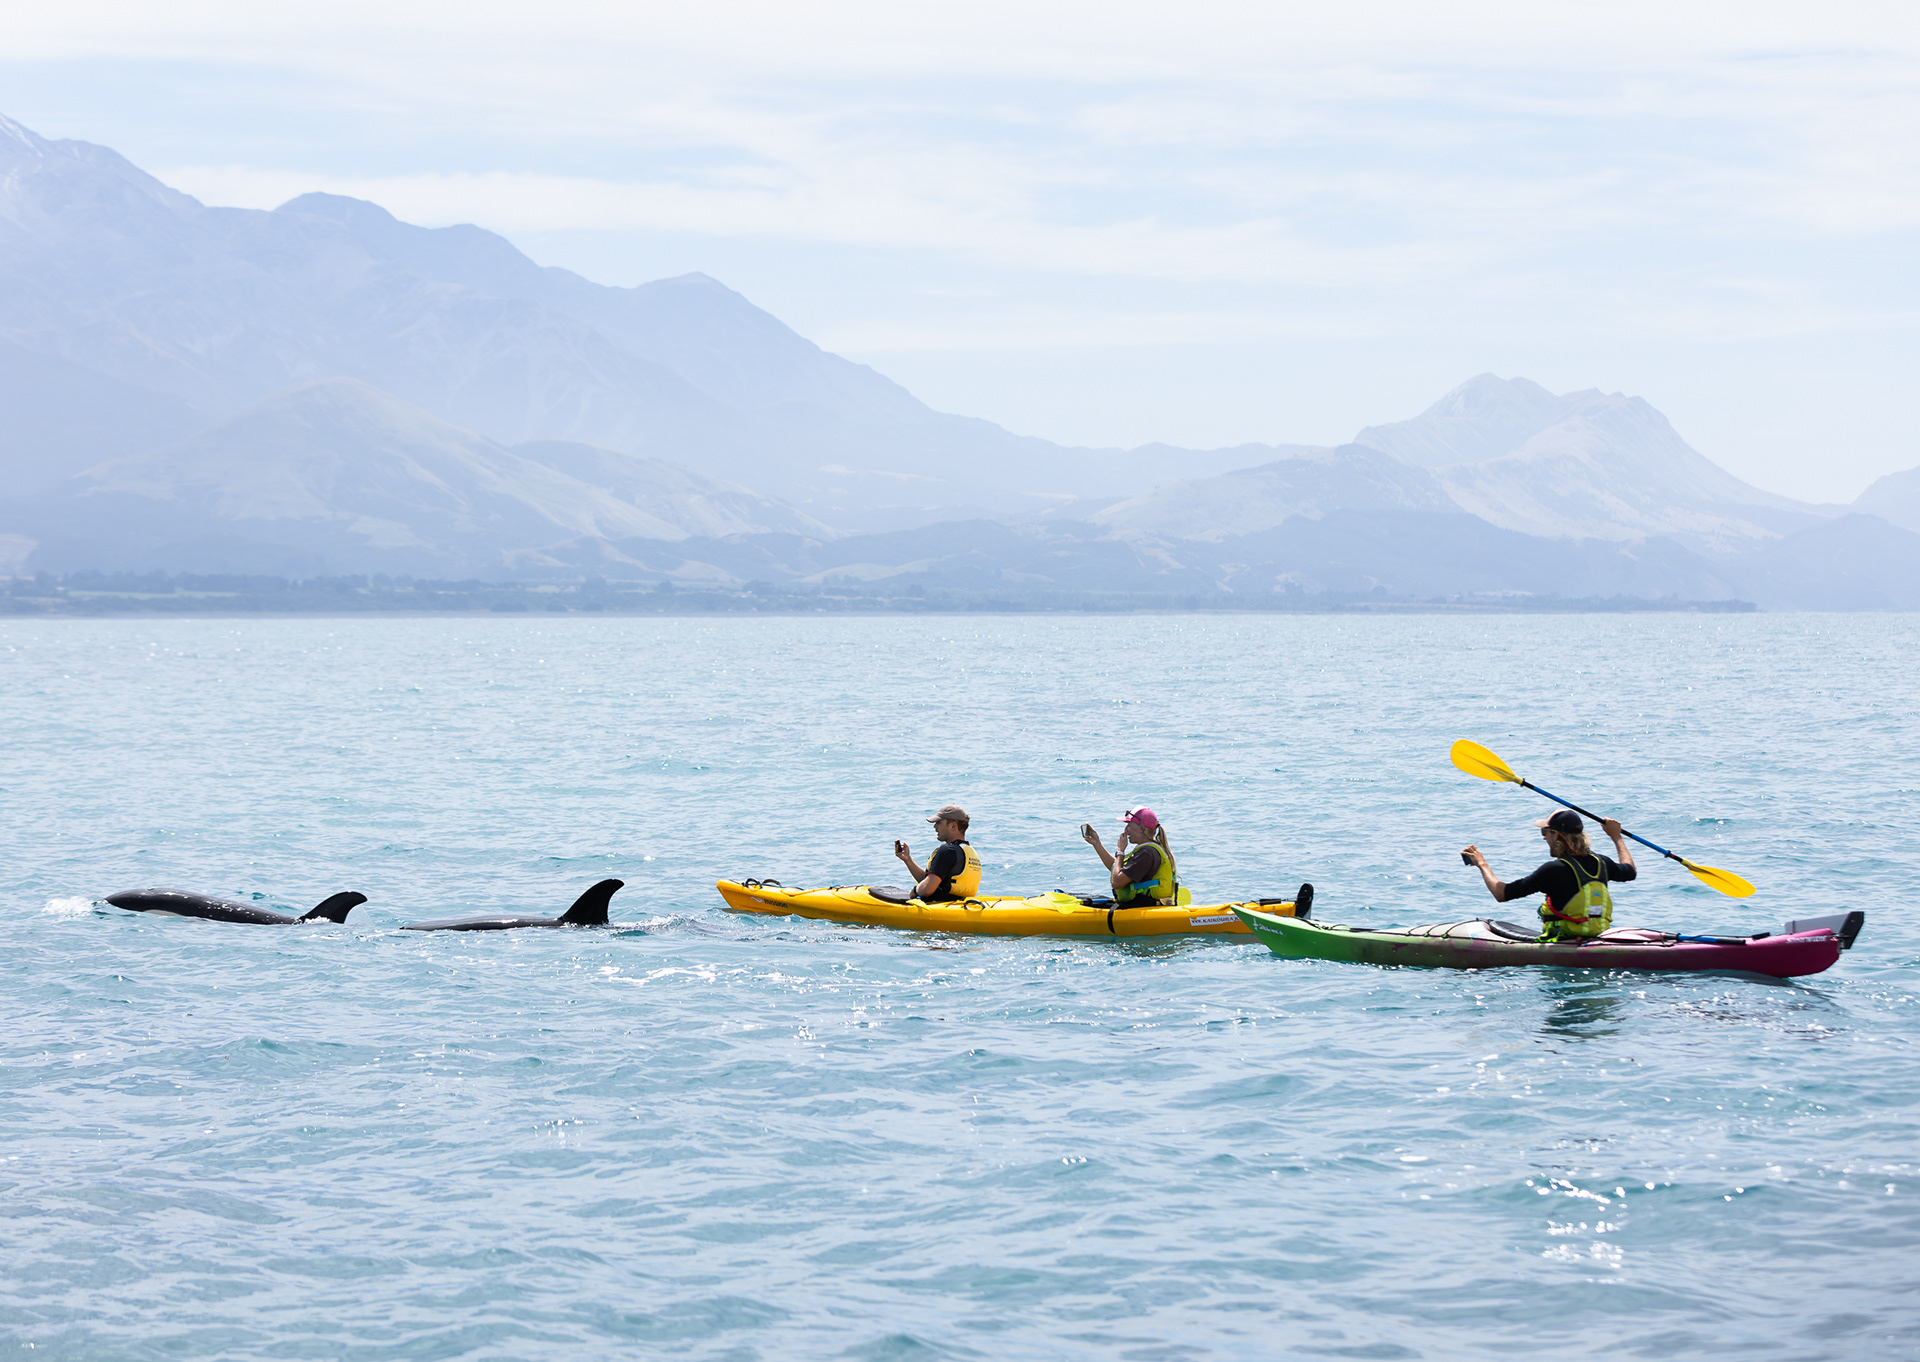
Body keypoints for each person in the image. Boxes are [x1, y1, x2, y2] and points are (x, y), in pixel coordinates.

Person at [1462, 809, 1636, 940]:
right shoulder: (1602, 863)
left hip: (1564, 940)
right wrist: (1616, 836)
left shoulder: (1553, 870)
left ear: (1557, 836)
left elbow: (1502, 893)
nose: (1544, 837)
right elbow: (1630, 871)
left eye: (1545, 832)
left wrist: (1481, 864)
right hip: (1597, 936)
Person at [1081, 807, 1179, 906]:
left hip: (1144, 906)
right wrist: (1097, 843)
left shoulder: (1146, 853)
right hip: (1146, 904)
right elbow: (1116, 869)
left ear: (1141, 828)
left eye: (1128, 825)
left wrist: (1121, 851)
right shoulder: (1151, 849)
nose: (1126, 830)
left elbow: (1117, 882)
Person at [893, 804, 982, 902]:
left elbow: (926, 889)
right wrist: (907, 859)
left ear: (953, 826)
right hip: (961, 905)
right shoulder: (968, 851)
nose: (935, 827)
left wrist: (915, 891)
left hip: (941, 908)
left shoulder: (947, 851)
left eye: (939, 822)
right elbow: (931, 881)